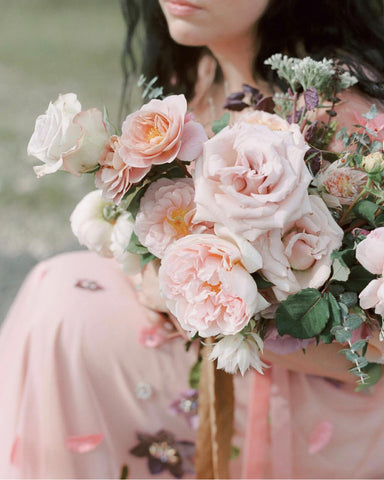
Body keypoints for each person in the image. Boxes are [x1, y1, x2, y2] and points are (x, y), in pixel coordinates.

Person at [1, 0, 384, 478]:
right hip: (213, 360)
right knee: (57, 296)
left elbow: (374, 360)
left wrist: (207, 313)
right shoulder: (196, 78)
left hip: (308, 400)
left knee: (64, 314)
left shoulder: (340, 105)